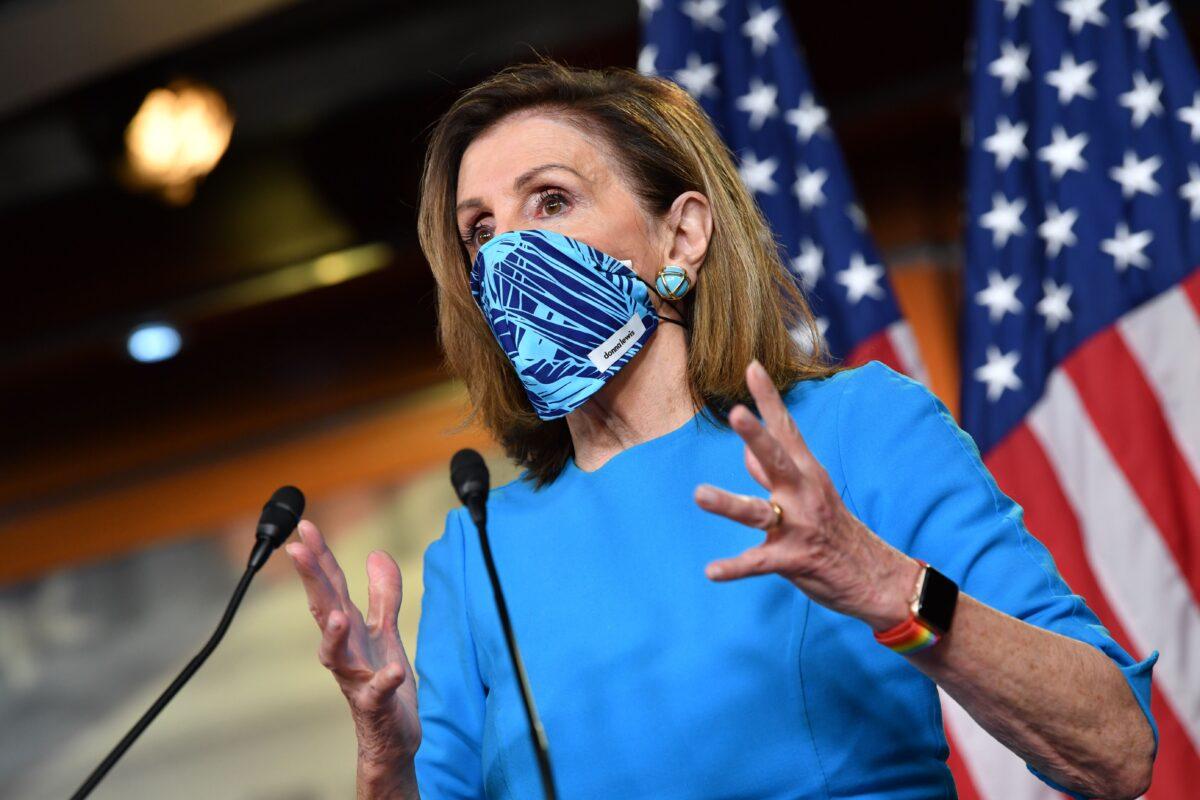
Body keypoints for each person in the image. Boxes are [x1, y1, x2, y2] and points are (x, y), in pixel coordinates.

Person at [286, 60, 1158, 800]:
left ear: (684, 233)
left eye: (550, 202)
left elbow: (1115, 750)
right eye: (481, 233)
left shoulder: (860, 427)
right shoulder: (476, 550)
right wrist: (385, 757)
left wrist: (888, 587)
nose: (510, 255)